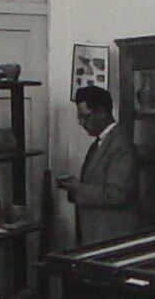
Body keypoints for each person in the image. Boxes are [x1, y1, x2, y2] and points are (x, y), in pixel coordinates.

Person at [55, 85, 139, 244]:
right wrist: (74, 188)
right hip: (97, 234)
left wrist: (78, 188)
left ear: (102, 112)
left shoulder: (121, 144)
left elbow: (117, 194)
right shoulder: (99, 143)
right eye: (79, 118)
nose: (81, 123)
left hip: (113, 236)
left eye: (85, 117)